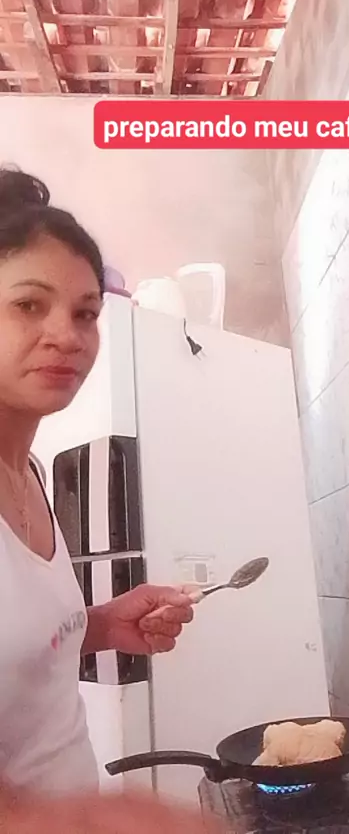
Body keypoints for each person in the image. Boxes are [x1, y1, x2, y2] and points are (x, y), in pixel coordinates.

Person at [0, 168, 210, 832]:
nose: (67, 334)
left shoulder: (31, 474)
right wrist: (87, 819)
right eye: (28, 305)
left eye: (85, 313)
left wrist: (100, 624)